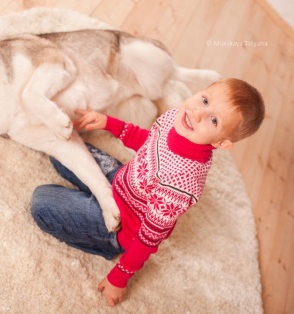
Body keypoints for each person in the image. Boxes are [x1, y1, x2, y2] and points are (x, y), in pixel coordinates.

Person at [30, 78, 265, 306]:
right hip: (125, 180)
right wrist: (109, 123)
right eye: (205, 101)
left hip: (124, 226)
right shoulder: (177, 117)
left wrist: (119, 278)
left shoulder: (182, 185)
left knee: (42, 203)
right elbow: (149, 141)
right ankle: (93, 196)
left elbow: (148, 239)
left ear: (221, 143)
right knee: (62, 145)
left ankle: (103, 243)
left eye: (213, 120)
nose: (198, 114)